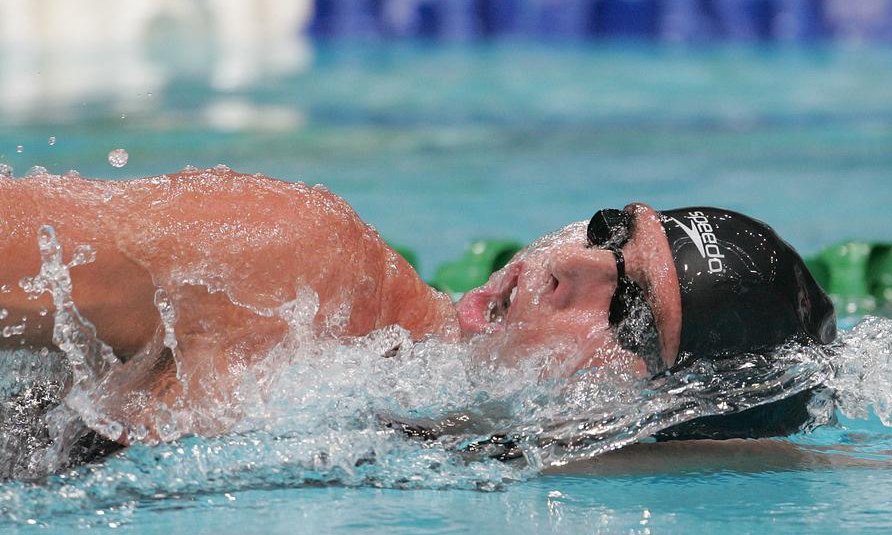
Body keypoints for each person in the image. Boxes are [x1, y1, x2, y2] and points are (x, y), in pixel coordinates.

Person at [0, 166, 835, 464]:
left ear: (656, 414)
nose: (566, 266)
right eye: (610, 231)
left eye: (632, 316)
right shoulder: (296, 268)